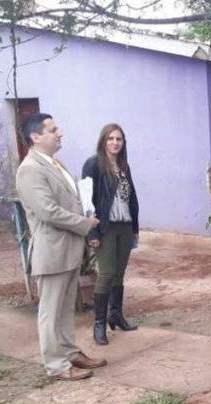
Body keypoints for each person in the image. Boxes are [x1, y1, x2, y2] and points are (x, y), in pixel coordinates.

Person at [15, 113, 106, 381]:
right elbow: (48, 211)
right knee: (51, 311)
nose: (60, 133)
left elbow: (68, 200)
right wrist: (85, 224)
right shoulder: (30, 169)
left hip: (67, 249)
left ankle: (70, 353)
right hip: (52, 251)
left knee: (65, 309)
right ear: (35, 137)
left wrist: (86, 211)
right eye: (53, 130)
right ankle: (56, 365)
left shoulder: (54, 164)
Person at [82, 124, 140, 345]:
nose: (115, 142)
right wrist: (92, 233)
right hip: (105, 227)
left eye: (119, 139)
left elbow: (131, 198)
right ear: (103, 141)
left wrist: (135, 228)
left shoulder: (124, 166)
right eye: (111, 138)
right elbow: (87, 201)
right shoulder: (93, 164)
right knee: (106, 274)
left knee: (119, 274)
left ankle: (115, 314)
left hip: (124, 226)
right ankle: (99, 323)